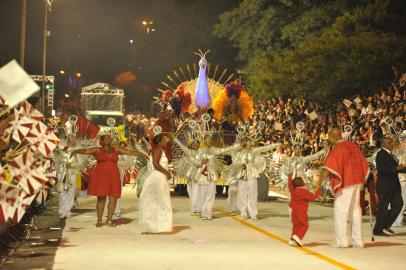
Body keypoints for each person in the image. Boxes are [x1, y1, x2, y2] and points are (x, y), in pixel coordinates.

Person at [71, 134, 147, 227]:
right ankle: (99, 221)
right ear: (102, 140)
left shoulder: (116, 149)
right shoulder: (97, 149)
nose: (109, 139)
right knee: (101, 199)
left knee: (113, 198)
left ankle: (109, 220)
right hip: (101, 176)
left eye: (109, 138)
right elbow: (86, 151)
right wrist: (75, 151)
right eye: (106, 138)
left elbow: (129, 152)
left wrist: (142, 154)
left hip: (114, 176)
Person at [320, 128, 370, 248]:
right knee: (355, 211)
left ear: (333, 136)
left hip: (346, 182)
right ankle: (358, 241)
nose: (329, 141)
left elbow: (328, 167)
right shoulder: (352, 145)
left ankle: (342, 241)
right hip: (357, 181)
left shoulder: (338, 147)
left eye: (329, 138)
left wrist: (318, 183)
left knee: (341, 211)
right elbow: (364, 163)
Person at [138, 133, 173, 234]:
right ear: (160, 141)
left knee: (156, 202)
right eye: (164, 139)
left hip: (159, 177)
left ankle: (157, 227)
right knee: (162, 202)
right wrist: (167, 173)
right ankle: (159, 227)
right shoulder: (157, 149)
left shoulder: (159, 150)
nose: (166, 141)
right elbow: (155, 164)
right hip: (158, 177)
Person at [373, 137, 405, 235]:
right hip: (385, 186)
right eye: (389, 142)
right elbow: (382, 169)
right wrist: (396, 168)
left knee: (398, 204)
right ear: (383, 144)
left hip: (394, 186)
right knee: (383, 208)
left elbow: (397, 169)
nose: (392, 144)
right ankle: (378, 230)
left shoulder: (391, 155)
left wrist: (402, 168)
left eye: (391, 142)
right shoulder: (380, 154)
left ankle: (386, 224)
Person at [288, 176, 321, 247]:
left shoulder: (293, 190)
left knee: (296, 226)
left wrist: (289, 176)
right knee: (304, 225)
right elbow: (313, 197)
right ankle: (298, 237)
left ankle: (292, 239)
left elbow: (290, 184)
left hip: (293, 212)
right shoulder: (303, 191)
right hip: (301, 212)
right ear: (302, 183)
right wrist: (318, 191)